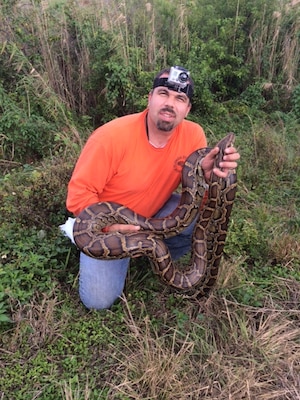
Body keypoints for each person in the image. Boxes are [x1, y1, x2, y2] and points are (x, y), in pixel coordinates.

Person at [65, 66, 240, 310]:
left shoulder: (193, 135)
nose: (170, 103)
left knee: (197, 222)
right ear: (150, 98)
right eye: (163, 94)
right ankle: (129, 249)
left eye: (180, 98)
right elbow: (78, 197)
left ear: (187, 109)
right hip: (108, 223)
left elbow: (200, 201)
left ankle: (146, 252)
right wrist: (110, 228)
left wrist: (209, 178)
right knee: (97, 301)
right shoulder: (110, 138)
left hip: (153, 212)